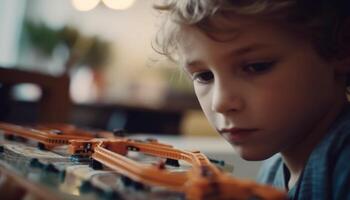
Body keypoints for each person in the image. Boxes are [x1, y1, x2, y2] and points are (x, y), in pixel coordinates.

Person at [153, 0, 350, 199]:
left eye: (256, 66)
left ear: (341, 48)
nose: (220, 103)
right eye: (204, 76)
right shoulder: (273, 169)